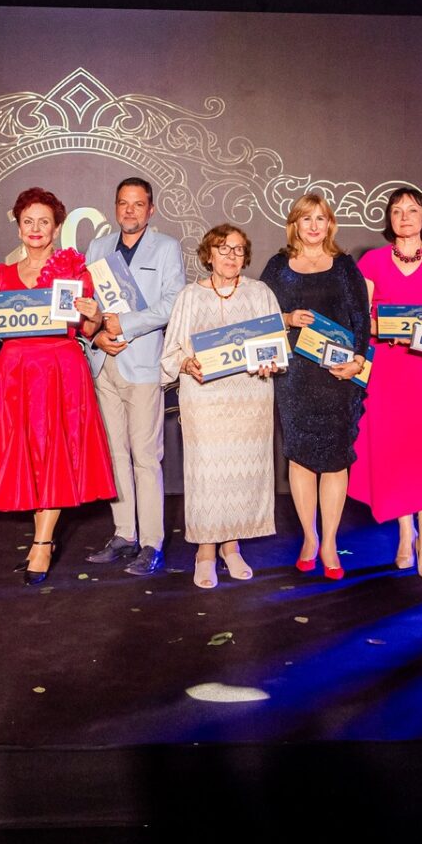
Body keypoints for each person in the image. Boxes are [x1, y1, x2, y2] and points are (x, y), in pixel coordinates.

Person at [0, 187, 115, 584]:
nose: (35, 228)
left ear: (57, 227)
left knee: (53, 454)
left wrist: (95, 315)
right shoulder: (2, 275)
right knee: (30, 455)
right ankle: (41, 538)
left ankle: (42, 543)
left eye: (44, 222)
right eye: (28, 221)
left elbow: (86, 329)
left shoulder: (75, 271)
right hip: (16, 374)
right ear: (18, 227)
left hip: (59, 370)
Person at [352, 185, 422, 577]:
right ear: (389, 219)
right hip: (388, 370)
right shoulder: (372, 261)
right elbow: (362, 319)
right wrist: (393, 331)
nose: (404, 217)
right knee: (395, 453)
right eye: (397, 210)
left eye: (412, 210)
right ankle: (405, 533)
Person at [162, 225, 282, 588]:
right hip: (204, 402)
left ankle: (232, 546)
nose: (231, 255)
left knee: (241, 477)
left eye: (238, 249)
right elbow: (170, 354)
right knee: (207, 476)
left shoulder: (260, 293)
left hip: (250, 399)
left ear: (246, 256)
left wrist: (271, 361)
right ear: (208, 254)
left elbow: (276, 346)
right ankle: (205, 551)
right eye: (223, 248)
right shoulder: (189, 297)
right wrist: (186, 363)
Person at [260, 192, 368, 580]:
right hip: (294, 378)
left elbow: (362, 319)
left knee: (335, 460)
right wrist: (287, 318)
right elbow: (258, 315)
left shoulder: (344, 266)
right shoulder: (278, 266)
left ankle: (330, 543)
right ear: (294, 224)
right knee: (301, 458)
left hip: (336, 377)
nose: (314, 225)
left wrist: (358, 361)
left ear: (330, 224)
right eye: (306, 218)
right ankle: (309, 537)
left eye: (321, 218)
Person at [83, 177, 186, 577]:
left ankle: (151, 543)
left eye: (138, 204)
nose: (130, 210)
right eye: (123, 203)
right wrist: (96, 335)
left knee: (145, 456)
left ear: (151, 209)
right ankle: (124, 533)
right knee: (115, 454)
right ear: (115, 207)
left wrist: (123, 325)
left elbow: (172, 304)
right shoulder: (98, 248)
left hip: (141, 364)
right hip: (104, 363)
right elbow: (87, 304)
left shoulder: (166, 247)